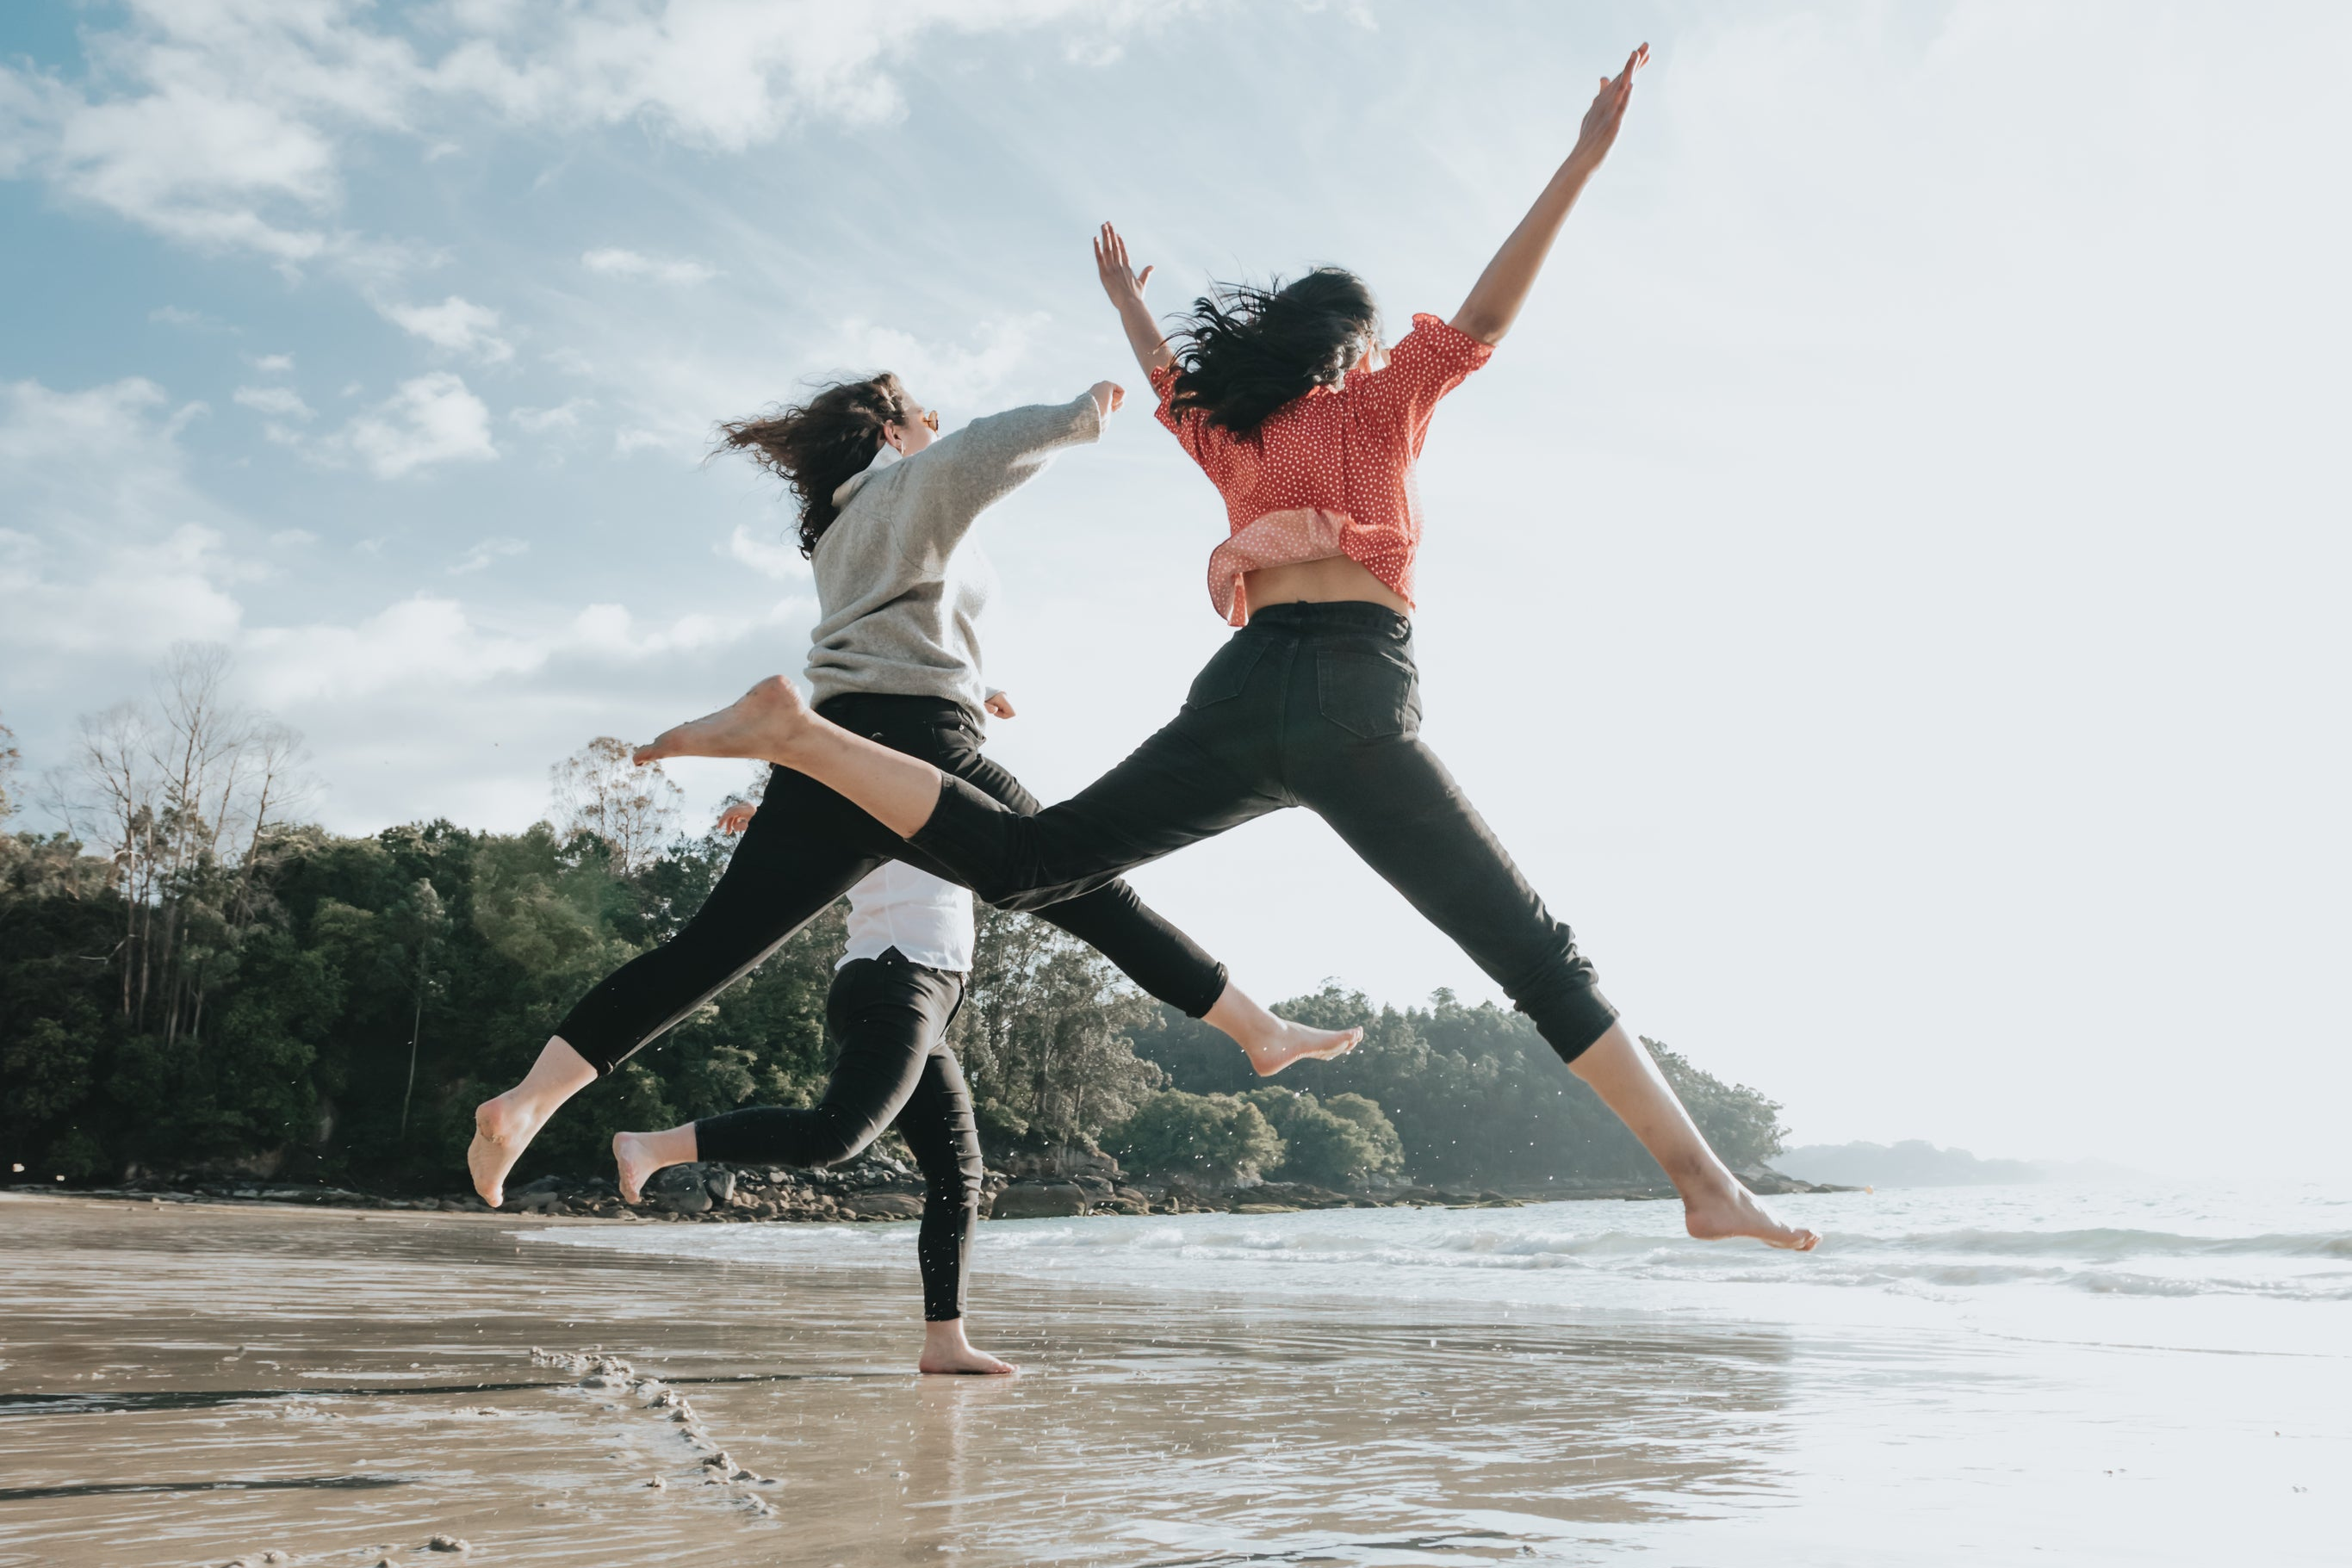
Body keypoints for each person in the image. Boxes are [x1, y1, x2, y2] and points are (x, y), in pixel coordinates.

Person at [630, 45, 1820, 1252]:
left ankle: (801, 738)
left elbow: (1162, 376)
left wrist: (1125, 303)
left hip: (1243, 698)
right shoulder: (1378, 401)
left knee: (1033, 862)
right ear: (1352, 349)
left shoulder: (1228, 435)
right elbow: (1485, 312)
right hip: (1356, 699)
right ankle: (1701, 1183)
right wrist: (1579, 160)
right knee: (1530, 953)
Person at [469, 374, 1359, 1210]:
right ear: (892, 433)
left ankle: (524, 1102)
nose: (932, 422)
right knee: (1086, 885)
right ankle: (1255, 1029)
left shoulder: (844, 526)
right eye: (918, 414)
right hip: (923, 744)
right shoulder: (908, 484)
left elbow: (901, 623)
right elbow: (979, 451)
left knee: (705, 954)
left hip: (841, 746)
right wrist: (1081, 412)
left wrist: (979, 682)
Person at [615, 802, 1010, 1375]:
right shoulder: (893, 785)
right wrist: (773, 812)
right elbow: (832, 776)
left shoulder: (944, 791)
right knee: (836, 1133)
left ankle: (944, 1339)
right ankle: (653, 1147)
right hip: (896, 978)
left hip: (928, 994)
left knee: (956, 1172)